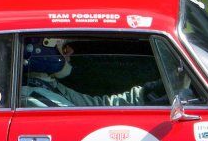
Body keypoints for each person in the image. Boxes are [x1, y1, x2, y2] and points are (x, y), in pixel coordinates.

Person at [21, 39, 161, 108]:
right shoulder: (33, 96)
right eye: (63, 48)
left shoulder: (48, 85)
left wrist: (145, 93)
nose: (70, 51)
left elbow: (97, 105)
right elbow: (80, 123)